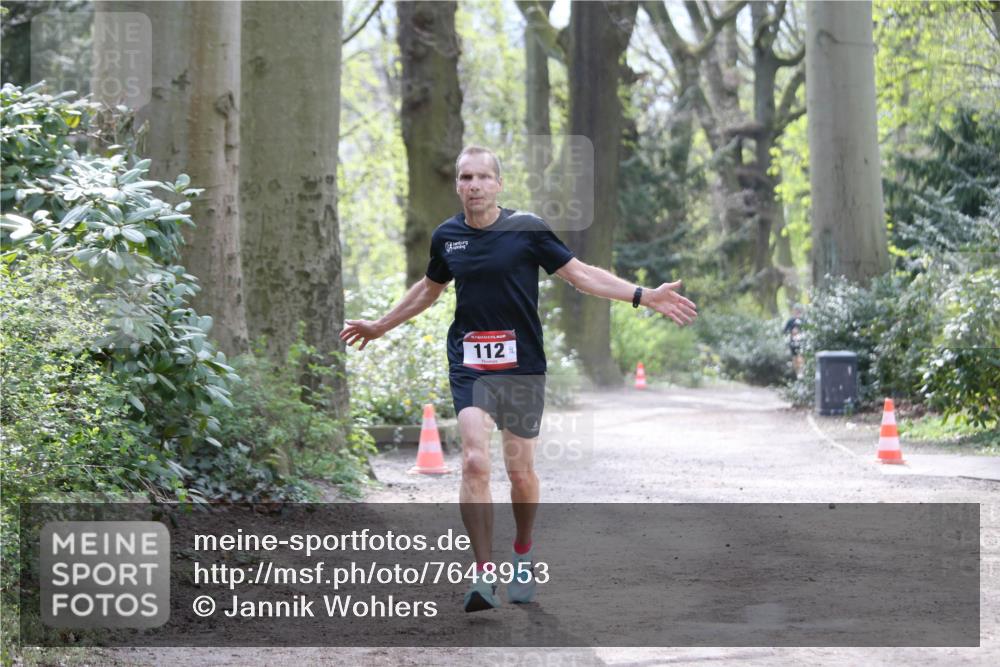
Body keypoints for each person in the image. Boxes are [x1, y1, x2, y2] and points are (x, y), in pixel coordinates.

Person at [340, 145, 698, 612]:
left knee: (520, 472)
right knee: (472, 460)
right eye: (465, 178)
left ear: (498, 184)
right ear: (457, 185)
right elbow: (429, 289)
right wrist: (380, 325)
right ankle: (483, 573)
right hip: (470, 362)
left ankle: (523, 552)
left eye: (483, 177)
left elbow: (581, 275)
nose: (473, 186)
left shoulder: (526, 229)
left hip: (522, 364)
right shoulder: (448, 237)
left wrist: (642, 295)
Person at [784, 305, 805, 378]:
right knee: (794, 358)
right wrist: (791, 332)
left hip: (801, 342)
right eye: (796, 310)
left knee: (801, 357)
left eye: (798, 310)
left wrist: (800, 332)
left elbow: (807, 330)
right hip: (793, 342)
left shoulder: (803, 320)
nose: (797, 312)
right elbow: (785, 331)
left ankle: (801, 373)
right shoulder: (790, 321)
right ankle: (797, 375)